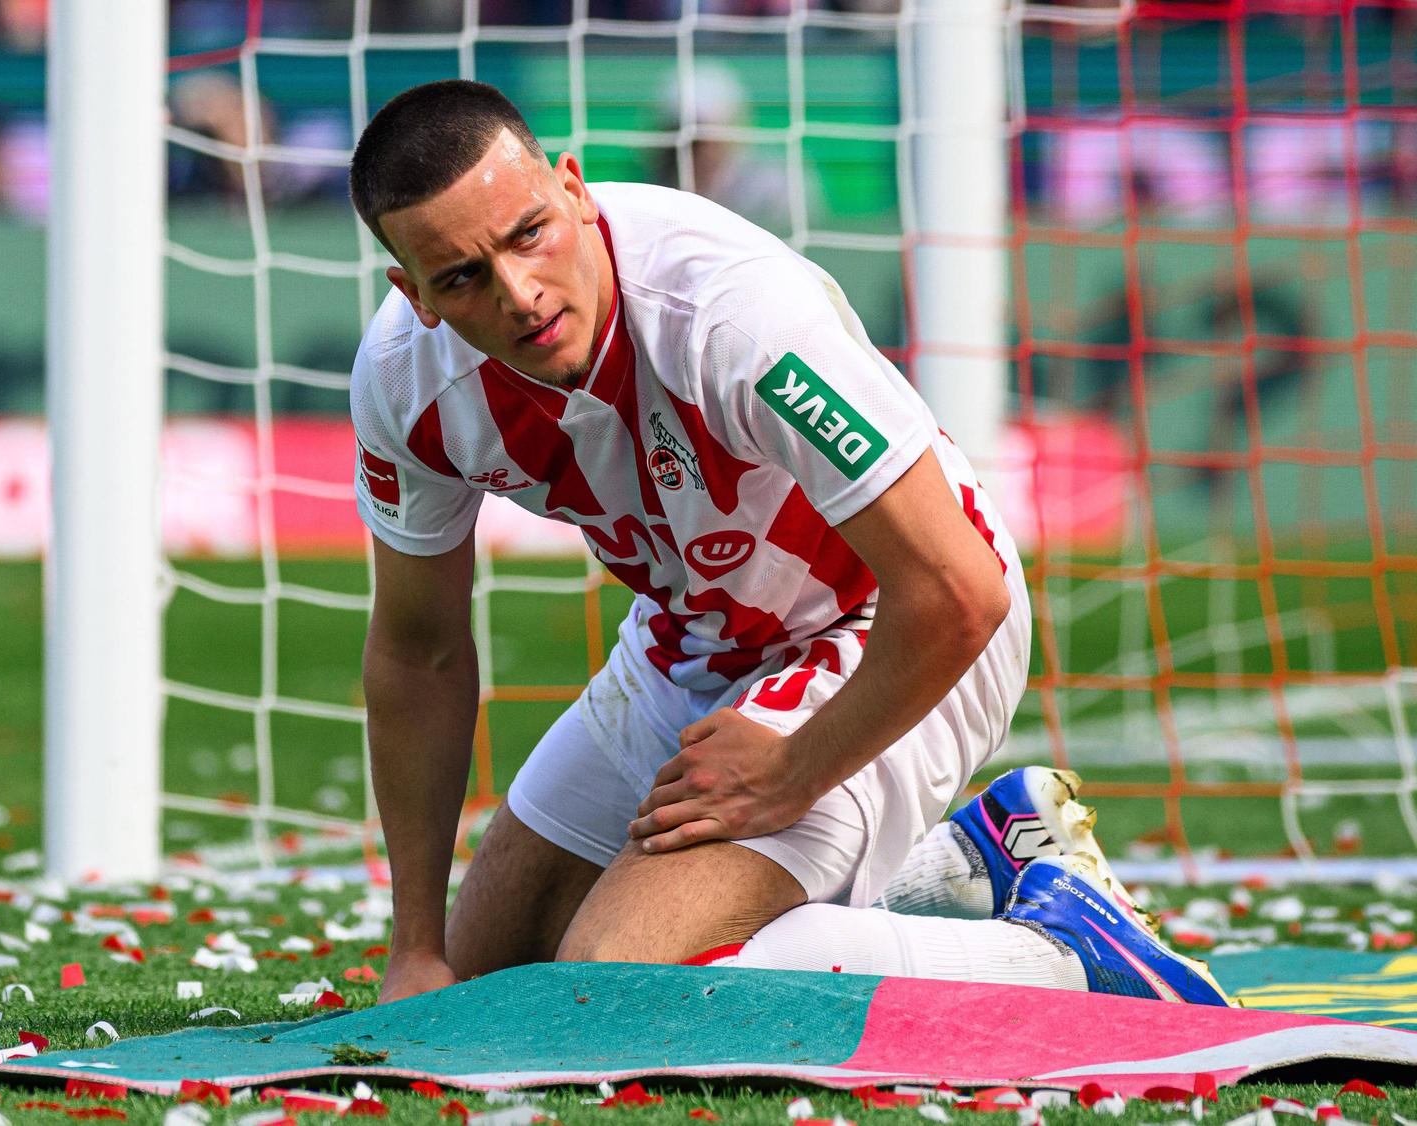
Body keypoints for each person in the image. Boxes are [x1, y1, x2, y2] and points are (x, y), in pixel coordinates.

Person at [347, 80, 1231, 1007]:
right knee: (489, 980)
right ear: (416, 295)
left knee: (611, 980)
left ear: (573, 188)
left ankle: (1066, 950)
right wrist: (415, 949)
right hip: (691, 641)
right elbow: (421, 650)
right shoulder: (406, 381)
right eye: (461, 276)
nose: (520, 293)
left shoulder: (727, 315)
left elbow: (958, 588)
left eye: (530, 233)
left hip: (888, 618)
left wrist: (793, 771)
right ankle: (957, 867)